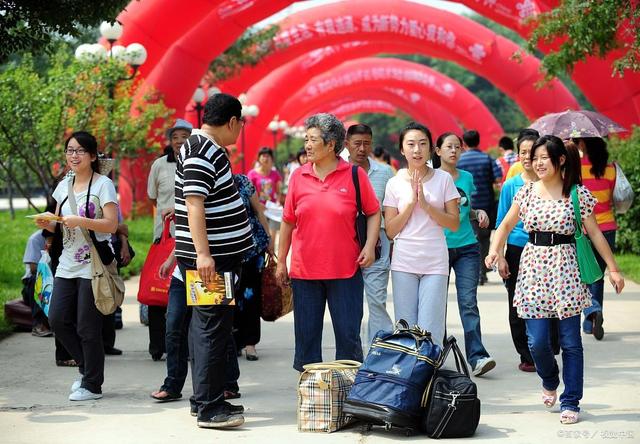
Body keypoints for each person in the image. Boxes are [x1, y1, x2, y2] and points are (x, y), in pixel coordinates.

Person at [486, 135, 624, 424]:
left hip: (567, 271)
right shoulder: (524, 192)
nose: (537, 163)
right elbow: (506, 224)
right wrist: (494, 251)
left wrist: (613, 268)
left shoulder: (576, 194)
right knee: (536, 343)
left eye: (543, 158)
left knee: (571, 343)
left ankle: (571, 400)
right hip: (534, 268)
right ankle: (549, 378)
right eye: (534, 158)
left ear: (560, 160)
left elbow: (595, 233)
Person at [275, 113, 380, 371]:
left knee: (348, 336)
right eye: (306, 140)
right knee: (307, 338)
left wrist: (369, 247)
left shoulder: (355, 175)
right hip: (305, 272)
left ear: (331, 144)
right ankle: (311, 395)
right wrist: (281, 262)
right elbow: (288, 221)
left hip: (346, 271)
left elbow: (373, 212)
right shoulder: (298, 176)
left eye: (313, 140)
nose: (307, 145)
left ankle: (351, 393)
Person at [174, 93, 253, 429]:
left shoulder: (205, 148)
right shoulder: (200, 151)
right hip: (211, 261)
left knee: (208, 328)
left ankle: (205, 398)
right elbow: (194, 204)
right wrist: (203, 253)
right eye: (241, 125)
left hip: (219, 258)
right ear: (232, 121)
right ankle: (209, 406)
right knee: (210, 329)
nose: (240, 132)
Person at [36, 131, 119, 401]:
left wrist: (81, 221)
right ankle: (87, 371)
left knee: (87, 327)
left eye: (80, 151)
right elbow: (58, 224)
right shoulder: (64, 185)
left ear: (92, 156)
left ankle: (93, 385)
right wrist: (47, 223)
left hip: (93, 264)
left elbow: (111, 224)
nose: (74, 155)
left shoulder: (103, 184)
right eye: (70, 150)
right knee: (57, 319)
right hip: (67, 263)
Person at [383, 122, 460, 348]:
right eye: (411, 144)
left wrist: (426, 206)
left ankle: (430, 376)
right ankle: (409, 376)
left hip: (435, 261)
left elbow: (454, 223)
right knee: (406, 328)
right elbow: (390, 230)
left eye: (422, 144)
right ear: (402, 149)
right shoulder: (394, 183)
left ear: (430, 149)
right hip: (404, 262)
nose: (417, 150)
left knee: (430, 327)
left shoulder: (443, 179)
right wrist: (410, 205)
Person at [434, 132, 496, 376]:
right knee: (436, 305)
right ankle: (433, 355)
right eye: (448, 147)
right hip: (438, 248)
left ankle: (478, 357)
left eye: (457, 147)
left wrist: (478, 212)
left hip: (468, 247)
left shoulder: (467, 177)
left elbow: (464, 208)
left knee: (468, 303)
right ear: (437, 151)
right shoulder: (433, 178)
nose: (454, 151)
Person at [496, 129, 549, 372]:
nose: (528, 157)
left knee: (545, 301)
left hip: (547, 250)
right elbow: (502, 224)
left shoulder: (552, 183)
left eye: (533, 152)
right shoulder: (511, 186)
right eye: (523, 152)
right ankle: (526, 354)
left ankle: (544, 346)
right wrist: (499, 256)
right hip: (517, 249)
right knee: (517, 303)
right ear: (517, 155)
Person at [146, 119, 193, 361]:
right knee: (157, 289)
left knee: (184, 292)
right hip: (164, 235)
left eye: (185, 136)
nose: (179, 141)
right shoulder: (159, 165)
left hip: (189, 238)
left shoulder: (196, 163)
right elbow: (153, 198)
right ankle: (157, 345)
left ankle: (184, 345)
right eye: (176, 137)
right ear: (170, 140)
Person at [345, 123, 394, 344]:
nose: (362, 149)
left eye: (366, 143)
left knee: (376, 299)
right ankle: (353, 352)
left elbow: (391, 209)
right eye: (357, 144)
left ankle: (379, 350)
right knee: (349, 303)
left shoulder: (384, 172)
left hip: (378, 243)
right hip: (345, 242)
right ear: (346, 145)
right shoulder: (337, 171)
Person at [573, 137, 617, 340]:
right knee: (598, 276)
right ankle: (590, 323)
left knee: (582, 275)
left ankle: (591, 310)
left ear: (582, 145)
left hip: (584, 229)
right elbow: (617, 196)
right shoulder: (610, 169)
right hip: (607, 227)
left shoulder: (577, 168)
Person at [232, 170, 273, 361]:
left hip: (252, 247)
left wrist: (269, 239)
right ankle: (234, 341)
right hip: (226, 251)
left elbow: (258, 211)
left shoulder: (243, 182)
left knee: (251, 296)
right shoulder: (208, 185)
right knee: (230, 299)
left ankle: (250, 344)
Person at [458, 129, 502, 285]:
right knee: (483, 239)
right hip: (485, 204)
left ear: (463, 143)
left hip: (465, 206)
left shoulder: (460, 160)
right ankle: (482, 272)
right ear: (478, 141)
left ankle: (474, 272)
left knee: (470, 239)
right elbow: (498, 178)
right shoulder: (487, 158)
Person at [247, 147, 283, 243]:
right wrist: (257, 204)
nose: (265, 158)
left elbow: (279, 190)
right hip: (258, 209)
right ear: (259, 158)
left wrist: (279, 201)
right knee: (260, 236)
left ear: (272, 159)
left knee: (272, 236)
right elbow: (249, 191)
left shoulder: (275, 174)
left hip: (272, 209)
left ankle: (271, 257)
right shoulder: (252, 174)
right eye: (263, 156)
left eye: (268, 156)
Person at [22, 229, 53, 337]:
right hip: (33, 284)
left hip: (57, 279)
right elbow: (33, 268)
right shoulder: (35, 239)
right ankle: (38, 324)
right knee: (39, 279)